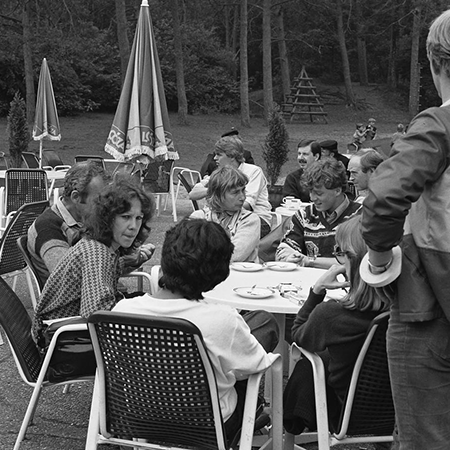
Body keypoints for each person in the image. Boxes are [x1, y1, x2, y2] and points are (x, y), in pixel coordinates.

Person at [361, 6, 450, 449]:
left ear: (435, 60)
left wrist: (379, 262)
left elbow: (382, 198)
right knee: (421, 432)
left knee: (423, 440)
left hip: (430, 305)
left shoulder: (442, 122)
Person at [113, 218, 279, 444]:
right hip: (208, 427)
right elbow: (256, 365)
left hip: (138, 421)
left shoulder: (122, 312)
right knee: (262, 325)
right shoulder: (222, 319)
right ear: (219, 274)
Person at [283, 216, 391, 446]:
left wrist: (317, 290)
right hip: (404, 408)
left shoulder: (331, 315)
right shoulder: (405, 312)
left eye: (340, 253)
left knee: (312, 362)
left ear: (353, 261)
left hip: (348, 414)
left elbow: (298, 336)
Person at [32, 175, 155, 345]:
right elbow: (97, 315)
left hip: (68, 332)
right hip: (61, 340)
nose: (133, 226)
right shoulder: (97, 252)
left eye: (138, 218)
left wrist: (127, 263)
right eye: (125, 217)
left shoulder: (103, 246)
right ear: (107, 218)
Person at [28, 162, 154, 287]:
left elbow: (102, 267)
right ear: (76, 197)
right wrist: (123, 262)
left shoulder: (86, 219)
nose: (105, 205)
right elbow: (68, 277)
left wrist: (133, 259)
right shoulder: (47, 227)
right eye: (98, 200)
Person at [276, 159, 361, 269]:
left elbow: (355, 261)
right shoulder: (304, 215)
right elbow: (282, 250)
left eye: (319, 193)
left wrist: (309, 261)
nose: (312, 198)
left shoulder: (359, 216)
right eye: (310, 192)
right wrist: (289, 257)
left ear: (337, 191)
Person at [190, 136, 272, 238]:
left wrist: (218, 204)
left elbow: (246, 205)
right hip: (223, 218)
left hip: (256, 220)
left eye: (219, 154)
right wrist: (216, 190)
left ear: (232, 156)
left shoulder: (253, 171)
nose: (215, 158)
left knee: (213, 237)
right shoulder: (221, 173)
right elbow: (192, 194)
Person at [190, 166, 260, 262]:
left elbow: (234, 256)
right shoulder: (198, 218)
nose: (243, 197)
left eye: (243, 190)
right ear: (218, 195)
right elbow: (184, 252)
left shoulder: (249, 220)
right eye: (235, 192)